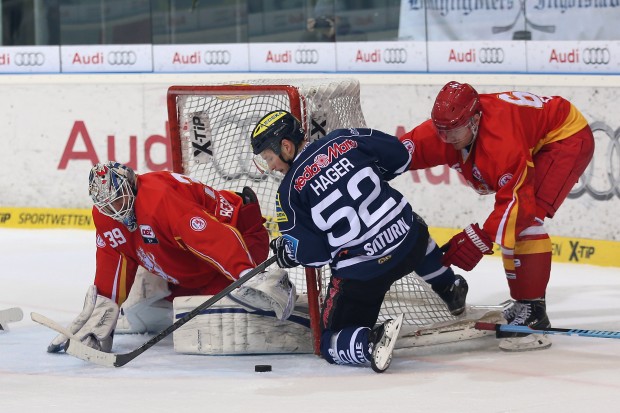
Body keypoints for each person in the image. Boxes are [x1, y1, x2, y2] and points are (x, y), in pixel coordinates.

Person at [250, 110, 468, 372]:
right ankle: (449, 285)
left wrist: (291, 252)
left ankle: (370, 341)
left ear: (285, 146)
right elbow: (399, 156)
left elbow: (316, 255)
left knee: (328, 342)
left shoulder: (288, 194)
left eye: (269, 158)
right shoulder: (343, 139)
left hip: (364, 276)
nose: (271, 166)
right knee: (413, 226)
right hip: (408, 243)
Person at [399, 81, 595, 351]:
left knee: (527, 220)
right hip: (533, 134)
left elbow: (518, 205)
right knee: (516, 221)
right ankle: (523, 302)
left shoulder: (502, 140)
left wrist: (481, 237)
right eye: (442, 131)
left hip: (564, 137)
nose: (448, 138)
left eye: (455, 130)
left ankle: (533, 312)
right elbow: (397, 152)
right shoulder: (448, 127)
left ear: (476, 119)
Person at [47, 162, 296, 353]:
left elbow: (211, 237)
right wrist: (105, 305)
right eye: (107, 206)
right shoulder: (106, 215)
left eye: (119, 200)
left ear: (131, 186)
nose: (115, 210)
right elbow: (114, 257)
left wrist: (246, 273)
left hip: (240, 237)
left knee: (212, 322)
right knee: (138, 310)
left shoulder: (159, 200)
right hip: (188, 262)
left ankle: (273, 298)